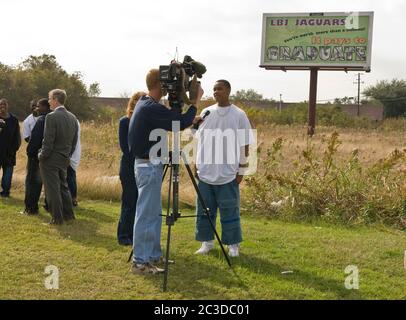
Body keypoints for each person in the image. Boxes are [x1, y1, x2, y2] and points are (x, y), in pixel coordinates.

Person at [128, 69, 203, 274]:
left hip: (149, 164)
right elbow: (177, 123)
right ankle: (140, 262)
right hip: (148, 166)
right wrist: (194, 101)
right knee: (146, 214)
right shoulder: (150, 106)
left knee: (153, 214)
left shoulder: (146, 104)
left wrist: (188, 114)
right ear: (161, 84)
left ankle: (152, 256)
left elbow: (171, 119)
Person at [194, 80, 254, 257]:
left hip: (228, 173)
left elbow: (245, 144)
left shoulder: (239, 114)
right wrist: (194, 161)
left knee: (229, 209)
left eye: (219, 89)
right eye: (214, 89)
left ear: (228, 90)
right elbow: (196, 138)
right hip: (205, 171)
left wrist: (241, 169)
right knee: (205, 210)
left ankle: (233, 244)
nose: (216, 92)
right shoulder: (206, 112)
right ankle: (207, 242)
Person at [39, 89, 79, 225]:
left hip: (50, 158)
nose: (48, 101)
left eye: (49, 98)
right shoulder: (73, 118)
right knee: (63, 187)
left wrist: (42, 155)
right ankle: (69, 216)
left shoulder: (51, 117)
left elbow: (48, 141)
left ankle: (57, 219)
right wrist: (67, 155)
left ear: (56, 99)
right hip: (64, 158)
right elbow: (74, 142)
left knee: (52, 189)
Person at [117, 91, 146, 246]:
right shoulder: (125, 122)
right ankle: (123, 235)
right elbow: (125, 148)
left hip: (143, 166)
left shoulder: (147, 122)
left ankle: (136, 234)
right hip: (129, 167)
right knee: (129, 202)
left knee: (140, 203)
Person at [24, 98, 51, 214]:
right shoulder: (54, 118)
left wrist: (29, 152)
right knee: (50, 184)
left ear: (45, 107)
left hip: (36, 156)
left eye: (39, 106)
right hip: (51, 157)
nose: (37, 108)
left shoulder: (42, 119)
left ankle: (31, 209)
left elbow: (35, 139)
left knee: (33, 182)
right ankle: (51, 207)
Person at [0, 98, 21, 198]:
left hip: (9, 152)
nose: (2, 106)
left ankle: (5, 192)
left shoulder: (14, 119)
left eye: (4, 104)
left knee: (8, 173)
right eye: (0, 104)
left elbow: (17, 136)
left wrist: (14, 149)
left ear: (8, 106)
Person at [67, 120, 81, 207]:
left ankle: (72, 199)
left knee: (70, 177)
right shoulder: (75, 121)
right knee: (71, 176)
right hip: (73, 152)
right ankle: (73, 198)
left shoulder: (71, 121)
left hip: (70, 153)